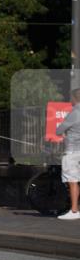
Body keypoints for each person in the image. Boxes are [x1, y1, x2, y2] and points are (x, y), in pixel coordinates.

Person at [57, 87, 80, 220]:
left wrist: (62, 132)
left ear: (74, 98)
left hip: (72, 151)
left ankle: (74, 210)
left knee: (72, 180)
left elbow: (60, 130)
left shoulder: (75, 112)